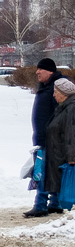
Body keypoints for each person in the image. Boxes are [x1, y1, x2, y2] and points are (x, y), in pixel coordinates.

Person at [27, 58, 59, 218]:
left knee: (43, 171)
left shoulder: (57, 87)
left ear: (50, 71)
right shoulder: (46, 87)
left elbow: (61, 113)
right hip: (42, 137)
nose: (37, 72)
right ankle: (55, 203)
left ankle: (40, 205)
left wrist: (53, 133)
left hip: (51, 138)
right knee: (51, 170)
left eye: (41, 69)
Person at [42, 78, 75, 211]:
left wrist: (72, 158)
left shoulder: (71, 109)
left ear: (64, 93)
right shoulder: (63, 107)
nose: (54, 95)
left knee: (67, 188)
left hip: (64, 158)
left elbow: (71, 133)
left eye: (56, 92)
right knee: (63, 188)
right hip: (59, 155)